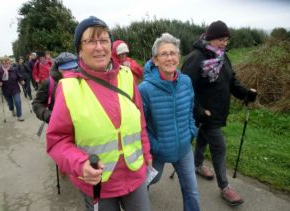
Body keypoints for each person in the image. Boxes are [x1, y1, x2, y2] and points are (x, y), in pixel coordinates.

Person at [46, 16, 152, 211]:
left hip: (135, 174)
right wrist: (80, 164)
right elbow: (57, 140)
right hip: (98, 183)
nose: (99, 47)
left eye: (103, 40)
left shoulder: (127, 77)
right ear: (79, 49)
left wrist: (146, 152)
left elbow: (140, 122)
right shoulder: (68, 87)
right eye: (90, 41)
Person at [181, 20, 257, 206]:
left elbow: (231, 81)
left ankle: (197, 164)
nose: (224, 43)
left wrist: (245, 94)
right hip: (205, 113)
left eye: (226, 40)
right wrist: (198, 110)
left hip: (218, 111)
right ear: (210, 38)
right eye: (221, 39)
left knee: (203, 138)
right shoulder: (196, 58)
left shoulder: (222, 57)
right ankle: (225, 187)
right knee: (219, 147)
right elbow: (184, 87)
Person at [138, 33, 200, 211]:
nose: (170, 58)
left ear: (179, 57)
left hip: (183, 148)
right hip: (158, 151)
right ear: (155, 60)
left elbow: (190, 109)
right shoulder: (144, 89)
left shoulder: (186, 82)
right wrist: (155, 146)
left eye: (173, 53)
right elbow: (140, 124)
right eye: (164, 54)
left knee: (192, 191)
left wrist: (190, 131)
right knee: (146, 183)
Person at [32, 52, 78, 123]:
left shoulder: (83, 80)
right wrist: (48, 116)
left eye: (74, 67)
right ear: (58, 69)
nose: (71, 71)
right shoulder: (48, 83)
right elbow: (36, 103)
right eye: (66, 68)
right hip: (59, 124)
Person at [0, 56, 25, 121]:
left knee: (17, 101)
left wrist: (21, 80)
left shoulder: (14, 69)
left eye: (8, 62)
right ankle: (12, 110)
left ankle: (19, 116)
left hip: (15, 89)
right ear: (2, 63)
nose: (6, 64)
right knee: (10, 104)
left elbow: (19, 76)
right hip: (6, 91)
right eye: (4, 62)